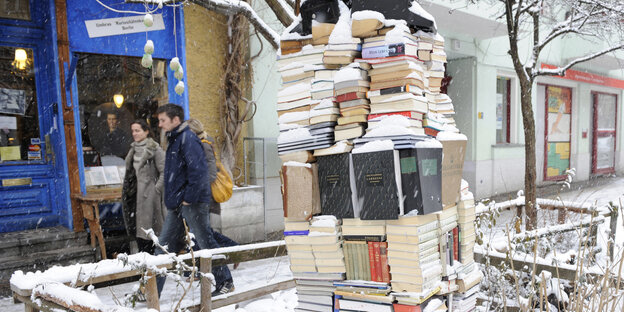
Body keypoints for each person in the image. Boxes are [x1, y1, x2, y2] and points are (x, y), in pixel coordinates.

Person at [155, 104, 234, 297]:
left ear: (175, 120)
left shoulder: (187, 139)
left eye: (163, 120)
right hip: (178, 204)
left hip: (193, 203)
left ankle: (226, 282)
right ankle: (151, 290)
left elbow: (199, 173)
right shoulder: (175, 139)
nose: (160, 124)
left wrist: (188, 199)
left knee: (206, 242)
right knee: (164, 247)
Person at [121, 119, 166, 254]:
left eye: (137, 130)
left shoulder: (154, 149)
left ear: (146, 131)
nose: (134, 133)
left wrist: (156, 190)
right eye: (133, 131)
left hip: (150, 198)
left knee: (151, 233)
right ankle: (145, 267)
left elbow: (165, 172)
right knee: (139, 232)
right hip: (135, 196)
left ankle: (154, 268)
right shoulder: (133, 149)